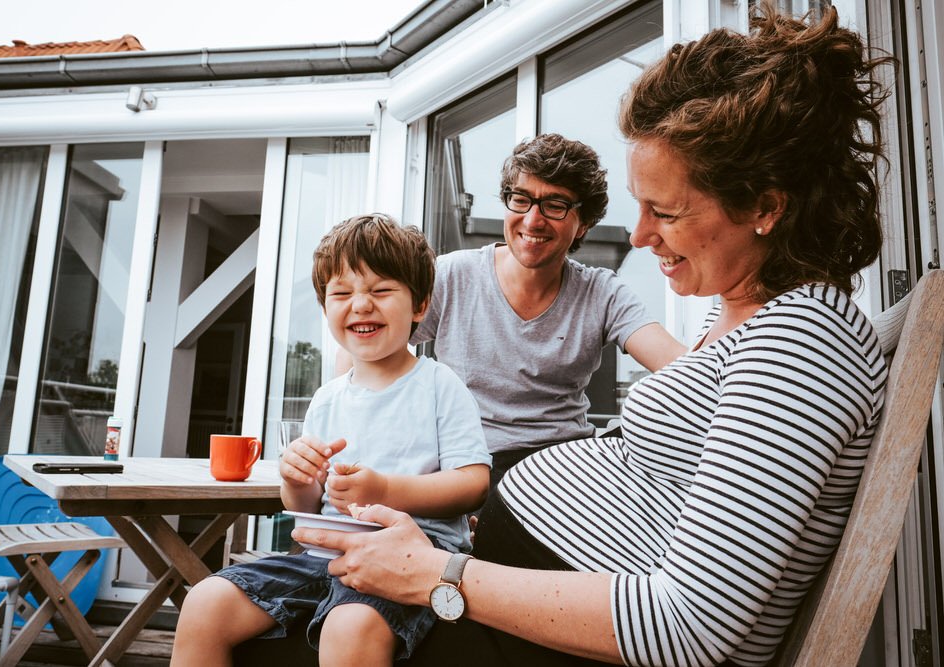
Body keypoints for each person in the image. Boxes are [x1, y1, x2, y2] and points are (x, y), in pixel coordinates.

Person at [270, 6, 893, 666]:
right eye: (640, 206)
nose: (641, 235)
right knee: (251, 607)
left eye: (668, 211)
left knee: (274, 641)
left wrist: (437, 572)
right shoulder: (745, 316)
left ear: (766, 207)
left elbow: (691, 627)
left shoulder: (801, 345)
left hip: (535, 624)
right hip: (498, 573)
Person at [171, 214, 491, 666]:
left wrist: (384, 490)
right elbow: (304, 505)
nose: (360, 305)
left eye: (380, 291)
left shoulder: (440, 385)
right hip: (322, 556)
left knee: (349, 627)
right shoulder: (326, 398)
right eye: (341, 293)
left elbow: (472, 484)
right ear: (325, 309)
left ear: (419, 306)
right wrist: (297, 477)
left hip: (408, 559)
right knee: (205, 602)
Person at [410, 132, 685, 487]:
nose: (533, 220)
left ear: (582, 223)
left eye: (555, 205)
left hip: (563, 473)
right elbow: (364, 347)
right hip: (467, 466)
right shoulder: (450, 275)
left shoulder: (601, 292)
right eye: (521, 199)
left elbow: (681, 368)